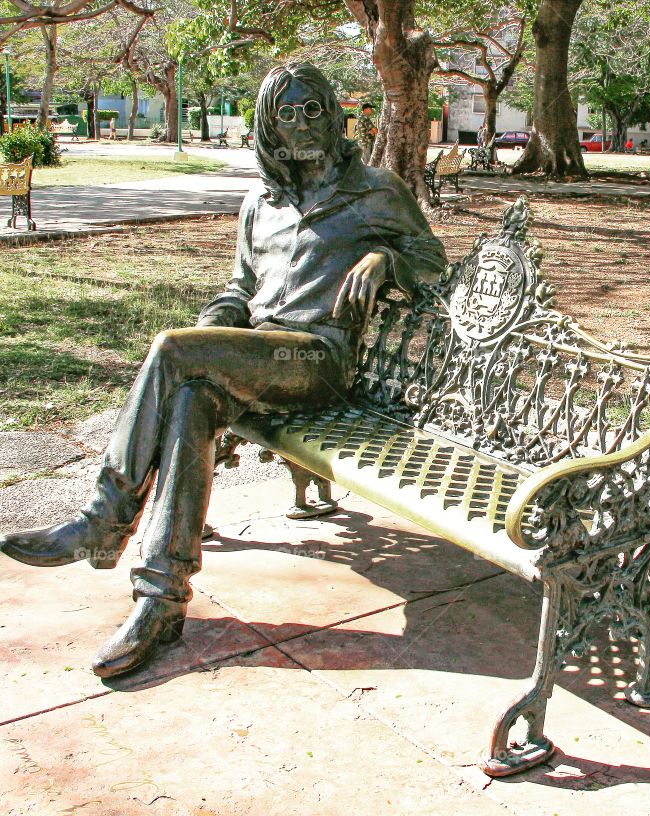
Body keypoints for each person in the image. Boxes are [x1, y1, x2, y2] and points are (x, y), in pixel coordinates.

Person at [0, 63, 447, 679]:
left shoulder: (376, 190)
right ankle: (160, 600)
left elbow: (434, 264)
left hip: (316, 361)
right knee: (191, 401)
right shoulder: (259, 202)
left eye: (313, 109)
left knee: (174, 351)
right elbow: (239, 289)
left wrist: (386, 258)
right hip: (254, 357)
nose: (302, 125)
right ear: (269, 125)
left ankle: (105, 518)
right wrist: (217, 329)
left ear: (334, 115)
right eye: (286, 114)